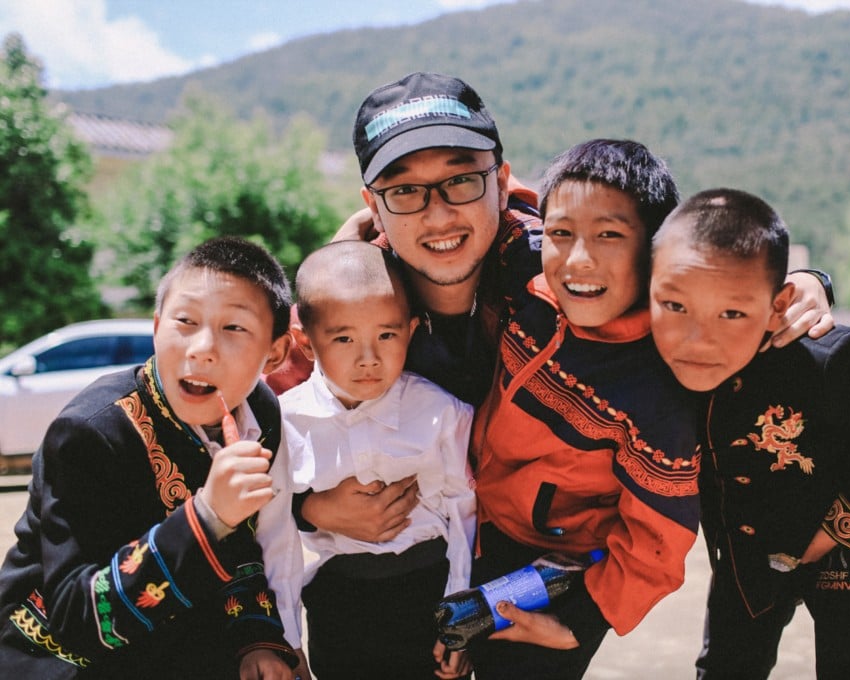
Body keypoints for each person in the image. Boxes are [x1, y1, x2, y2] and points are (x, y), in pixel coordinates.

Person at [290, 71, 837, 544]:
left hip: (540, 550)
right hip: (408, 560)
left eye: (460, 181)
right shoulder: (346, 299)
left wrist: (804, 283)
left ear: (501, 182)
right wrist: (307, 510)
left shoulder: (557, 265)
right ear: (373, 205)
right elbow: (260, 421)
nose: (437, 215)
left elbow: (681, 258)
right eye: (405, 192)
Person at [647, 188, 850, 680]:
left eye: (732, 314)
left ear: (779, 305)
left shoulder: (826, 358)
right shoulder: (655, 358)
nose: (700, 339)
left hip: (842, 553)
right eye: (676, 306)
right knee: (725, 668)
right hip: (743, 556)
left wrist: (842, 527)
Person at [0, 236, 298, 679]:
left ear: (275, 353)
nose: (202, 347)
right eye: (185, 321)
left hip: (182, 644)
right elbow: (75, 617)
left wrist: (257, 639)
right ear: (157, 327)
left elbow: (242, 544)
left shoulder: (260, 413)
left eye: (234, 328)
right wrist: (206, 516)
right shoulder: (91, 432)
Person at [463, 139, 700, 679]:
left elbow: (658, 538)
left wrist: (583, 621)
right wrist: (364, 226)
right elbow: (505, 203)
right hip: (472, 523)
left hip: (553, 568)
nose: (578, 260)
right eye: (562, 233)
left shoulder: (657, 392)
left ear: (657, 249)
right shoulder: (527, 278)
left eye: (609, 235)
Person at [256, 240, 476, 680]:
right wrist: (287, 639)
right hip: (337, 605)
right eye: (344, 339)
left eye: (387, 336)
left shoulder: (440, 413)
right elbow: (278, 541)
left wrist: (463, 616)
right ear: (306, 342)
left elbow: (464, 515)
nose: (369, 359)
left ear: (411, 331)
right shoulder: (283, 424)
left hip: (428, 597)